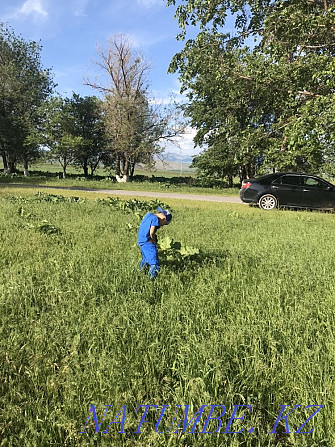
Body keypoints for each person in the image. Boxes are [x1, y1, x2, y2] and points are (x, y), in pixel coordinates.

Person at [138, 206, 172, 279]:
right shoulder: (155, 219)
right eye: (164, 224)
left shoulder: (149, 215)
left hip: (141, 241)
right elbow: (152, 232)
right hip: (148, 242)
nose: (162, 226)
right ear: (164, 219)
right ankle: (151, 279)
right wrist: (153, 241)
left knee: (146, 259)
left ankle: (140, 273)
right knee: (154, 263)